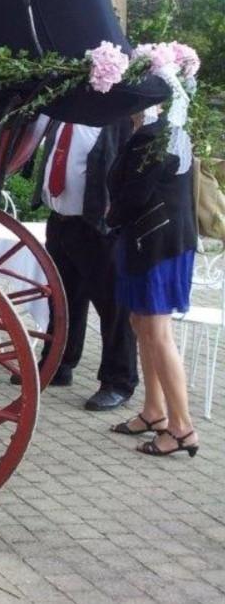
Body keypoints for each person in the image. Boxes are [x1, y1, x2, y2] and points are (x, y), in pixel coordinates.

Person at [27, 120, 138, 411]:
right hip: (60, 222)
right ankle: (59, 363)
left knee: (113, 308)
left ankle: (118, 382)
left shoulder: (117, 121)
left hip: (98, 229)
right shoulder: (62, 116)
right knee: (62, 301)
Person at [107, 111, 198, 457]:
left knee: (158, 331)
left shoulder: (154, 135)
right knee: (140, 323)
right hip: (157, 240)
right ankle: (154, 411)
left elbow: (137, 193)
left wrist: (107, 217)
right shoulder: (165, 130)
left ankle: (182, 428)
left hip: (157, 243)